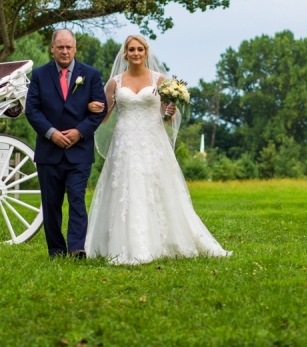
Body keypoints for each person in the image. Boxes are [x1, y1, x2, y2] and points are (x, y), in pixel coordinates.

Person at [84, 34, 230, 264]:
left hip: (152, 141)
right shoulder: (115, 82)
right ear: (125, 53)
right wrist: (91, 107)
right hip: (125, 142)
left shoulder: (160, 80)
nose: (136, 53)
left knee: (157, 188)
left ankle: (165, 240)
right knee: (127, 187)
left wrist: (169, 113)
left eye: (140, 49)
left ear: (146, 52)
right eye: (131, 50)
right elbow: (103, 118)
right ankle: (127, 243)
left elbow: (166, 117)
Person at [25, 29, 107, 258]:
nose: (64, 51)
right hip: (48, 151)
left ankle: (77, 248)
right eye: (60, 47)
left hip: (78, 152)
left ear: (75, 48)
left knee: (77, 199)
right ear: (52, 48)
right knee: (51, 204)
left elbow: (101, 108)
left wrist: (79, 132)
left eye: (68, 47)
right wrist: (51, 133)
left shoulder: (90, 75)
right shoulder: (39, 75)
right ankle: (56, 250)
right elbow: (31, 109)